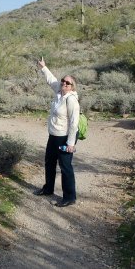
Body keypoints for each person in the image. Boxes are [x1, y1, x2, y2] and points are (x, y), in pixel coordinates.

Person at [34, 56, 80, 207]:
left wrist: (71, 143)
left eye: (68, 83)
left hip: (64, 137)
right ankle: (48, 188)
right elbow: (51, 80)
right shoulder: (59, 92)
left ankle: (69, 197)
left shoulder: (71, 100)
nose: (64, 84)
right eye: (63, 81)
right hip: (53, 135)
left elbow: (74, 123)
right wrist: (43, 67)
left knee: (65, 166)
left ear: (72, 87)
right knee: (49, 162)